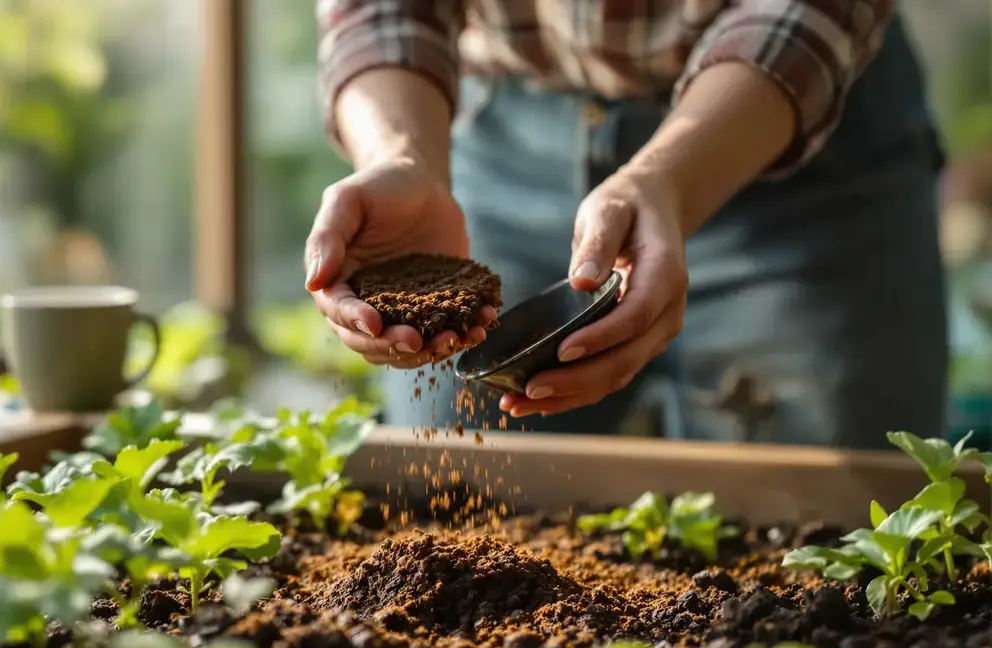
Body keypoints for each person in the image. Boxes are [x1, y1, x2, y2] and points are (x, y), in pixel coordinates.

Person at [304, 1, 948, 449]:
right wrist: (403, 158)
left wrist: (670, 178)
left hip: (787, 125)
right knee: (455, 506)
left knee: (820, 533)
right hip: (494, 139)